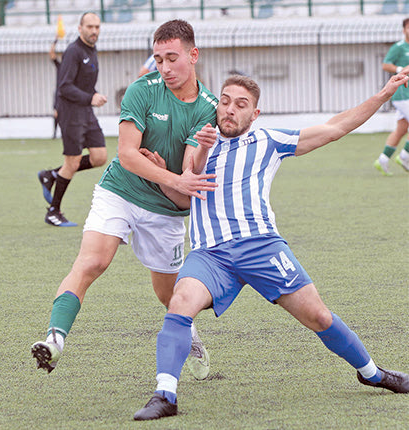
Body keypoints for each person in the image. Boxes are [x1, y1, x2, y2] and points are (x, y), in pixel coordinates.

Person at [134, 74, 409, 421]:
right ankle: (165, 395)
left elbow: (336, 127)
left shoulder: (269, 140)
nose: (229, 110)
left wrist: (384, 93)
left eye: (240, 104)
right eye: (225, 101)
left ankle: (373, 373)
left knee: (320, 316)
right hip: (210, 254)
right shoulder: (199, 139)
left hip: (262, 247)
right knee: (180, 302)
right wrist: (164, 175)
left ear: (255, 114)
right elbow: (185, 194)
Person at [31, 20, 218, 381]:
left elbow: (187, 174)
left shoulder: (207, 108)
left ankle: (190, 334)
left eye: (172, 58)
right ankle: (54, 340)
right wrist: (172, 176)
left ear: (193, 56)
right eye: (158, 58)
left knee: (170, 295)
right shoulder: (141, 90)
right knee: (91, 262)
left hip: (166, 210)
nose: (164, 68)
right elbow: (129, 155)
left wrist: (175, 176)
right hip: (120, 190)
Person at [37, 12, 108, 227]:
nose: (94, 30)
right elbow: (65, 87)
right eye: (89, 26)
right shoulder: (73, 51)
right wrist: (91, 97)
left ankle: (51, 175)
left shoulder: (91, 50)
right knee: (73, 161)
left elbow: (83, 83)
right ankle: (53, 211)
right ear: (80, 28)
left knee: (99, 157)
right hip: (70, 112)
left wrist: (93, 95)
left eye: (97, 26)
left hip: (86, 111)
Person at [374, 17, 409, 175]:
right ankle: (405, 155)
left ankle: (382, 159)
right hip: (403, 94)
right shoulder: (399, 47)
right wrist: (400, 69)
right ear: (404, 30)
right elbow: (386, 64)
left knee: (401, 129)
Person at [49, 39, 61, 139]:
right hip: (59, 93)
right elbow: (52, 54)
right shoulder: (60, 66)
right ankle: (55, 133)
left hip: (70, 94)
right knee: (56, 114)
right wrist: (55, 41)